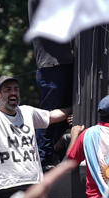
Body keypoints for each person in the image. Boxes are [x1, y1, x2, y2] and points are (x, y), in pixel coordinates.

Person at [28, 0, 74, 171]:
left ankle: (59, 155)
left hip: (64, 63)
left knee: (63, 119)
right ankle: (43, 159)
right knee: (48, 117)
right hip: (51, 65)